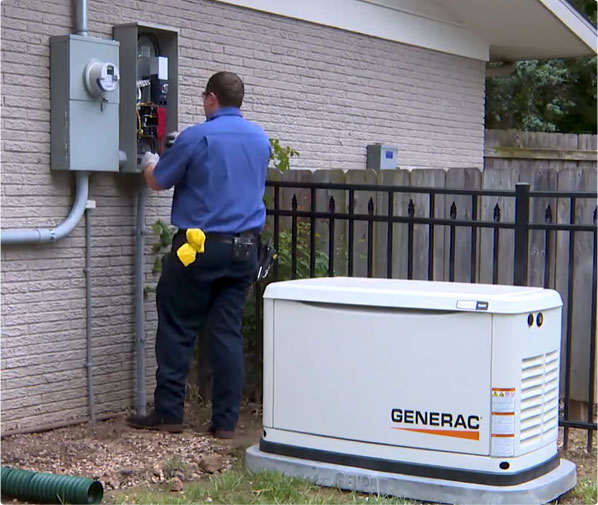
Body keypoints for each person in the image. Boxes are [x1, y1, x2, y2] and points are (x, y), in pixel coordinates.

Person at [127, 71, 271, 438]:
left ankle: (170, 413)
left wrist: (149, 158)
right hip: (245, 251)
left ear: (211, 98)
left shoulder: (198, 136)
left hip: (199, 249)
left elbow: (158, 180)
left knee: (177, 325)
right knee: (226, 333)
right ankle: (225, 423)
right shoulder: (258, 138)